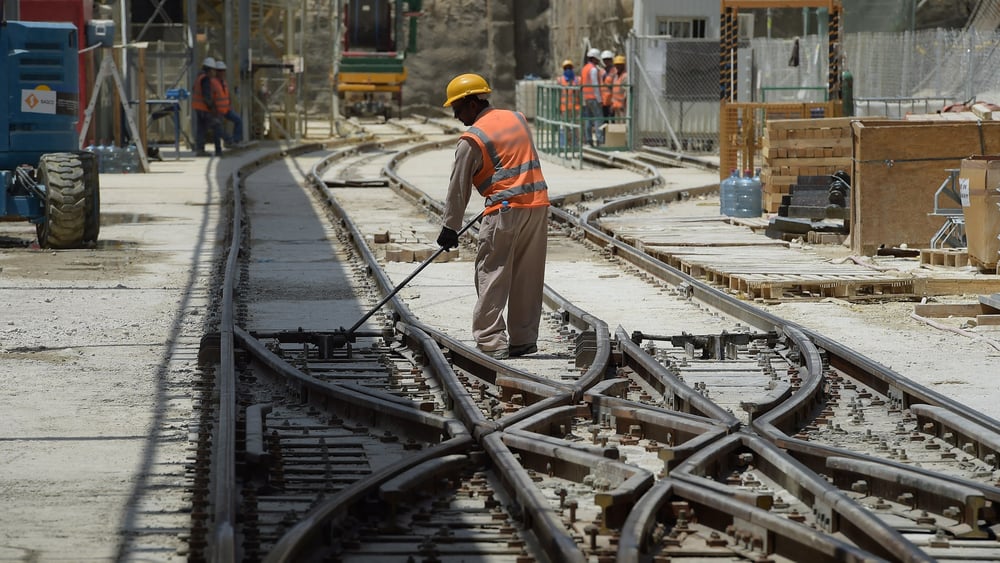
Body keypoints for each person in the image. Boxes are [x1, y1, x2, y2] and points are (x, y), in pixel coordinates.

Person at [437, 73, 550, 360]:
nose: (456, 116)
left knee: (492, 272)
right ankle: (524, 339)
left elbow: (458, 186)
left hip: (505, 212)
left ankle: (491, 341)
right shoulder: (517, 118)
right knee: (528, 276)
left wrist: (450, 227)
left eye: (457, 109)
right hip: (537, 205)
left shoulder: (472, 139)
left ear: (472, 103)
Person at [192, 56, 223, 157]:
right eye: (213, 70)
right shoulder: (205, 79)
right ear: (209, 70)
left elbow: (194, 90)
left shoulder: (199, 77)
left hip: (198, 107)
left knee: (201, 129)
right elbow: (206, 96)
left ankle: (200, 149)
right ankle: (219, 150)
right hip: (204, 108)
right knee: (216, 125)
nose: (214, 72)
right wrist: (212, 108)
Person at [212, 60, 243, 146]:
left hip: (226, 109)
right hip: (218, 111)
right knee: (218, 129)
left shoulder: (224, 83)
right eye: (220, 71)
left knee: (238, 120)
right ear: (216, 72)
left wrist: (229, 104)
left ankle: (236, 140)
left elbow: (226, 95)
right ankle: (228, 141)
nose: (222, 73)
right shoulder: (213, 83)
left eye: (223, 71)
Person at [580, 48, 604, 146]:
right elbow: (595, 85)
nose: (598, 61)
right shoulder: (593, 69)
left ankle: (589, 140)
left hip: (586, 98)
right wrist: (599, 99)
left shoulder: (584, 68)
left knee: (588, 119)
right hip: (594, 98)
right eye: (597, 59)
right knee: (598, 118)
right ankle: (599, 139)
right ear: (594, 58)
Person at [556, 59, 581, 147]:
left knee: (576, 126)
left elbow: (580, 93)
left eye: (569, 68)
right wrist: (558, 106)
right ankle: (569, 143)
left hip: (575, 107)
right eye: (566, 68)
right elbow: (558, 94)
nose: (568, 70)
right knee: (566, 127)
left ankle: (576, 143)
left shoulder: (577, 80)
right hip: (564, 108)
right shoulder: (560, 80)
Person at [600, 50, 616, 120]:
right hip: (603, 99)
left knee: (612, 119)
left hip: (612, 99)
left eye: (608, 59)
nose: (606, 61)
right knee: (604, 120)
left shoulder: (615, 71)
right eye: (605, 60)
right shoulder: (601, 71)